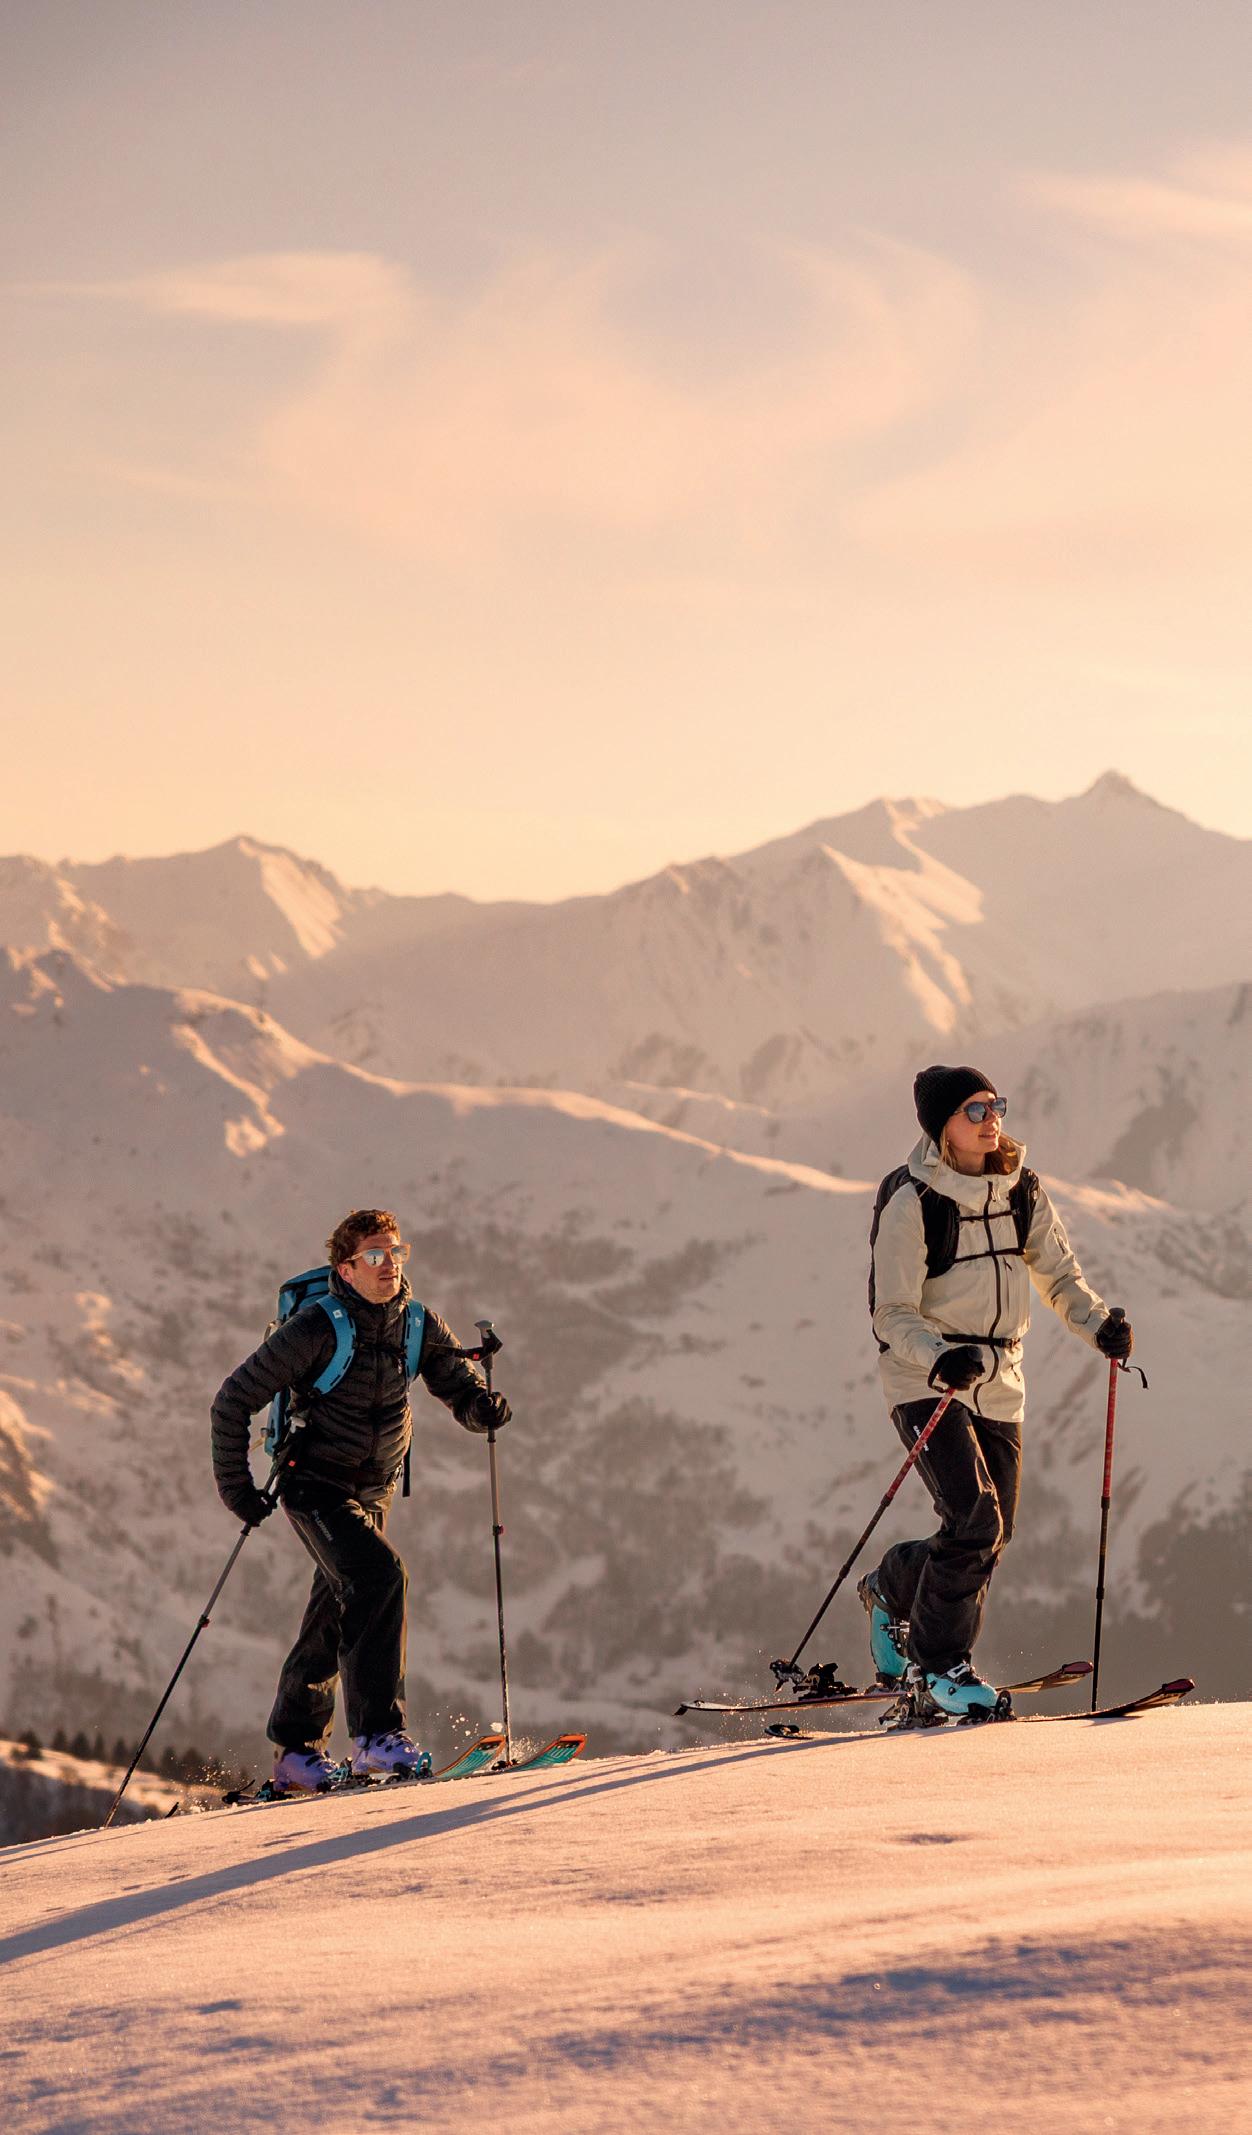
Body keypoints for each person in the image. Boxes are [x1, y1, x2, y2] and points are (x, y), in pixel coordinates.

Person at [860, 1064, 1134, 1719]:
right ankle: (939, 1667)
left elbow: (1059, 1276)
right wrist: (938, 1358)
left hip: (1001, 1380)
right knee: (975, 1520)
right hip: (927, 1380)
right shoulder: (913, 1202)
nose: (992, 1121)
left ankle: (891, 1587)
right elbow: (891, 1312)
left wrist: (1099, 1326)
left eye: (995, 1106)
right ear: (942, 1126)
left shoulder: (1021, 1189)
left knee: (988, 1530)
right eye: (976, 1110)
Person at [211, 1208, 511, 1790]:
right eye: (375, 1255)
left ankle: (296, 1753)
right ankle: (377, 1738)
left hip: (374, 1489)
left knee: (336, 1606)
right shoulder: (314, 1328)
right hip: (314, 1485)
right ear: (346, 1270)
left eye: (397, 1252)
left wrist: (483, 1408)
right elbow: (232, 1400)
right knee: (379, 1577)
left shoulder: (417, 1323)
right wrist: (237, 1489)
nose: (389, 1265)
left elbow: (458, 1388)